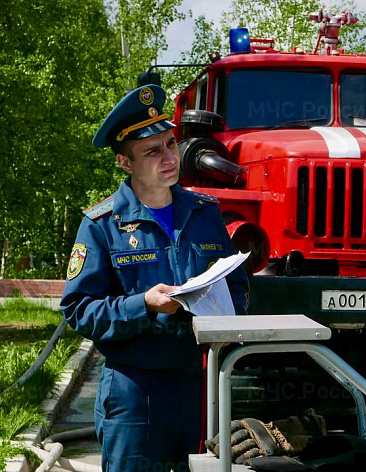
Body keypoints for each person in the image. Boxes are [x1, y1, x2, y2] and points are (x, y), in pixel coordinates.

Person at [61, 84, 249, 472]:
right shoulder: (101, 224)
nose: (168, 157)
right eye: (152, 151)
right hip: (135, 390)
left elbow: (237, 284)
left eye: (170, 144)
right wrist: (143, 304)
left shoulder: (205, 212)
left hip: (201, 384)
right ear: (124, 162)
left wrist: (230, 320)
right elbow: (78, 310)